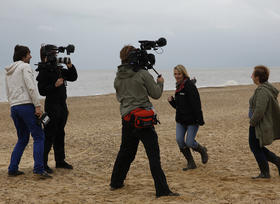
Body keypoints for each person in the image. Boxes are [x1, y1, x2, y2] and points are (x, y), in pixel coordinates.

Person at [110, 45, 179, 197]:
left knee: (126, 152)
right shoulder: (142, 74)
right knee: (153, 155)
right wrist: (160, 82)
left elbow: (119, 97)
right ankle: (162, 190)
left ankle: (115, 182)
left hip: (127, 117)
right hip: (143, 119)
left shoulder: (118, 76)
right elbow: (156, 94)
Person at [5, 45, 52, 179]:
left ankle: (13, 168)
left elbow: (7, 91)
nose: (31, 56)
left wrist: (13, 104)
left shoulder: (9, 71)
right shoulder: (25, 67)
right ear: (23, 56)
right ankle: (38, 169)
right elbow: (31, 86)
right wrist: (37, 105)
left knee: (22, 138)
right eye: (29, 54)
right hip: (26, 105)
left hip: (14, 107)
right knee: (38, 136)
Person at [36, 44, 78, 173]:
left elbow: (73, 77)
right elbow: (42, 90)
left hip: (62, 105)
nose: (56, 56)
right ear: (48, 55)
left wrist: (69, 65)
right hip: (51, 106)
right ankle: (43, 163)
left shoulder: (58, 69)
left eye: (56, 53)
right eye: (54, 54)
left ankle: (60, 161)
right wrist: (54, 85)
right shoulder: (43, 70)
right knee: (49, 135)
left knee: (60, 133)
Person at [168, 65, 208, 171]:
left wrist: (200, 119)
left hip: (192, 120)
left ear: (184, 74)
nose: (177, 76)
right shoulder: (178, 86)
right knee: (180, 140)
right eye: (175, 74)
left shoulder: (189, 85)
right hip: (181, 119)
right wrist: (172, 102)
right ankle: (191, 163)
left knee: (190, 142)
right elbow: (179, 106)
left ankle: (202, 150)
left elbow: (196, 103)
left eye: (179, 74)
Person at [249, 65, 280, 179]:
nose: (251, 77)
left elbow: (260, 110)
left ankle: (265, 172)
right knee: (258, 147)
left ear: (257, 77)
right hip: (259, 123)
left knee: (255, 147)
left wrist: (252, 122)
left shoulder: (262, 91)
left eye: (253, 75)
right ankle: (277, 161)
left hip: (258, 124)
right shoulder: (265, 88)